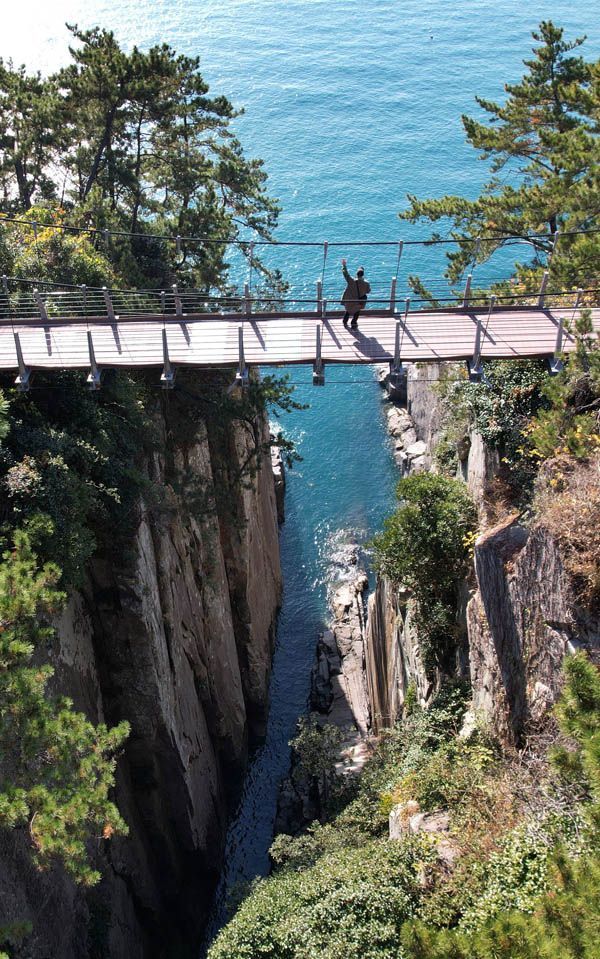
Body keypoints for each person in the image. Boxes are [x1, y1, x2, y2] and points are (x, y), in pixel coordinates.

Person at [340, 258, 370, 328]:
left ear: (356, 274)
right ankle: (354, 322)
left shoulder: (351, 281)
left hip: (349, 300)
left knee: (348, 310)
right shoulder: (366, 283)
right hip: (358, 301)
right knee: (357, 311)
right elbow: (368, 291)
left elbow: (345, 273)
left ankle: (345, 321)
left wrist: (344, 265)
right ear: (363, 275)